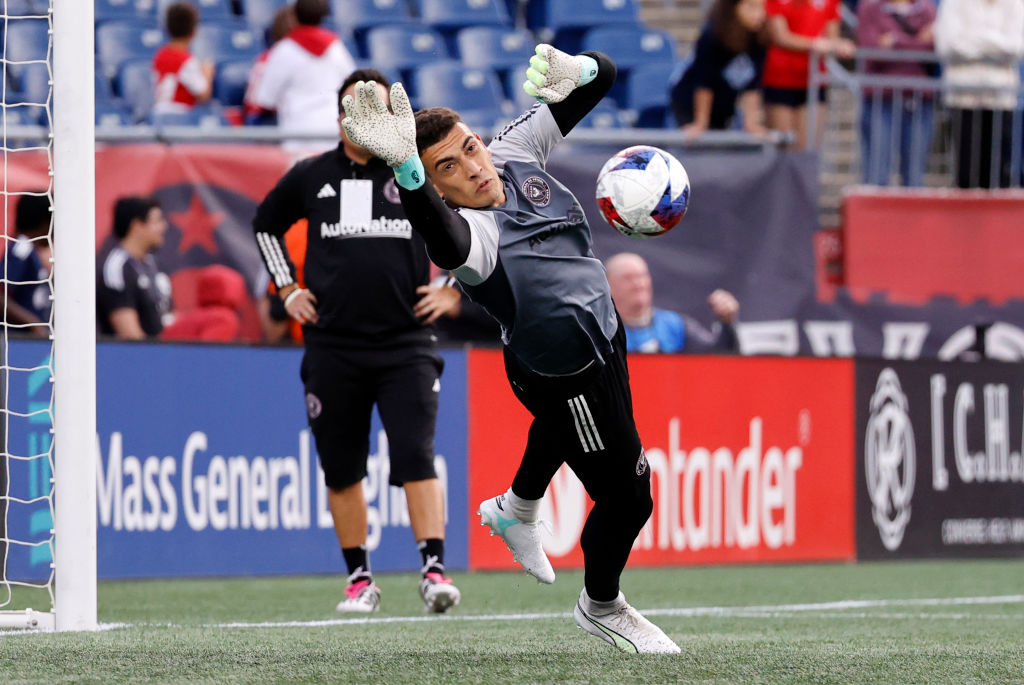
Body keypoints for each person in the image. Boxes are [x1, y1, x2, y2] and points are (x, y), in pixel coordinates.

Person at [341, 45, 681, 653]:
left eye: (469, 147)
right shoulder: (472, 237)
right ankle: (602, 603)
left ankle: (517, 508)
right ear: (437, 185)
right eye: (448, 167)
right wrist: (410, 177)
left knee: (570, 435)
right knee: (629, 496)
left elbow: (601, 79)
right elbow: (442, 243)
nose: (472, 167)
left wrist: (582, 70)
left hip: (602, 334)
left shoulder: (511, 151)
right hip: (562, 371)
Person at [252, 68, 463, 614]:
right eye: (352, 106)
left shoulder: (415, 172)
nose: (361, 116)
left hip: (407, 343)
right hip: (333, 346)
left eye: (373, 106)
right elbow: (265, 223)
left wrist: (451, 286)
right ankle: (359, 580)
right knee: (342, 468)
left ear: (393, 115)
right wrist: (288, 288)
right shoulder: (312, 175)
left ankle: (433, 571)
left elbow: (473, 224)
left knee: (417, 456)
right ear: (339, 115)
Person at [935, 0, 1024, 189]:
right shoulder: (954, 3)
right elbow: (948, 45)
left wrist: (978, 39)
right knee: (965, 175)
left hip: (1001, 99)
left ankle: (996, 220)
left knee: (997, 177)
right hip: (962, 98)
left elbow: (1018, 46)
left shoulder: (1015, 4)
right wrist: (996, 45)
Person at [251, 0, 356, 152]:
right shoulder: (336, 47)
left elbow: (264, 99)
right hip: (332, 132)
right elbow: (352, 87)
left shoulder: (284, 50)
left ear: (294, 16)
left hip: (298, 134)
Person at [856, 0, 937, 187]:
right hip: (879, 100)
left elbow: (933, 47)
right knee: (876, 173)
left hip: (918, 100)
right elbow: (872, 51)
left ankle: (914, 217)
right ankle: (873, 217)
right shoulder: (869, 8)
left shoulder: (926, 9)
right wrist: (916, 41)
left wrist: (894, 40)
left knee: (914, 176)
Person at [763, 0, 855, 149]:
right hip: (780, 78)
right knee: (783, 146)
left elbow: (832, 37)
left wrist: (840, 46)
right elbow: (780, 36)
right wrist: (815, 44)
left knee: (807, 147)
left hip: (814, 81)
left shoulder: (830, 2)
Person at [606, 252, 739, 354]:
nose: (638, 284)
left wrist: (727, 323)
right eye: (628, 278)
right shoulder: (603, 332)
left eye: (642, 276)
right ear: (608, 285)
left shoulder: (675, 325)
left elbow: (716, 358)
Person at [671, 0, 769, 138]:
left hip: (724, 105)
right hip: (690, 103)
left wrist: (751, 123)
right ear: (733, 8)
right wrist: (701, 122)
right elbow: (704, 83)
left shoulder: (758, 39)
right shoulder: (712, 37)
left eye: (762, 8)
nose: (759, 14)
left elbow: (752, 86)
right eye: (751, 7)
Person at [96, 196, 174, 340]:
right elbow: (129, 335)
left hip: (162, 354)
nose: (164, 227)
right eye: (157, 221)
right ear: (137, 226)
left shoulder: (154, 264)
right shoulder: (117, 267)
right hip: (136, 358)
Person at [2, 193, 51, 337]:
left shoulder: (32, 251)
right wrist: (33, 324)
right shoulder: (21, 248)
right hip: (19, 340)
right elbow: (0, 294)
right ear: (44, 223)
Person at [152, 2, 214, 115]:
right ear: (193, 32)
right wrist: (208, 73)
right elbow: (203, 94)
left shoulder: (160, 54)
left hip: (158, 113)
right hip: (179, 116)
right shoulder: (186, 60)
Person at [244, 5, 297, 126]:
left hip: (262, 117)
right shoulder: (279, 57)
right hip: (264, 120)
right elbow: (264, 101)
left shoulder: (267, 56)